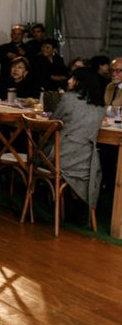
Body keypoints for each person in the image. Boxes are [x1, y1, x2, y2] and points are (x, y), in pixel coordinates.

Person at [49, 67, 105, 215]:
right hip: (88, 161)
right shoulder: (101, 106)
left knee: (37, 153)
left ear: (81, 82)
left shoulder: (69, 98)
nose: (69, 81)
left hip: (62, 156)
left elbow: (52, 122)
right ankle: (75, 201)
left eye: (73, 78)